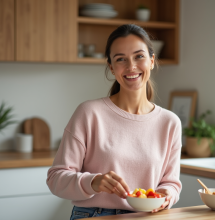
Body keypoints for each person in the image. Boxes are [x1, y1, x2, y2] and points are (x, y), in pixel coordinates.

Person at [46, 24, 182, 219]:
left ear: (152, 61)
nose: (131, 66)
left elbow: (171, 183)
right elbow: (55, 179)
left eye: (139, 56)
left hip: (146, 216)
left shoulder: (170, 123)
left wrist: (168, 195)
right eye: (121, 59)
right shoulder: (89, 113)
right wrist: (92, 182)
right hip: (94, 215)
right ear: (111, 66)